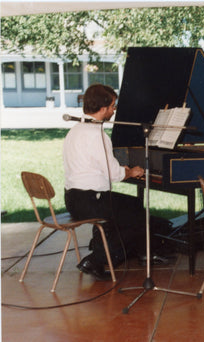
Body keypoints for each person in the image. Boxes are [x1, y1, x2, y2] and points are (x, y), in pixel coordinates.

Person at [63, 84, 147, 280]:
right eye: (112, 106)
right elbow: (114, 174)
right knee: (136, 214)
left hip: (74, 199)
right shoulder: (97, 135)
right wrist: (131, 172)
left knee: (130, 205)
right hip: (91, 201)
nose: (113, 110)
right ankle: (97, 259)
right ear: (103, 109)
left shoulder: (75, 130)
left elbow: (95, 167)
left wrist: (121, 171)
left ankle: (105, 253)